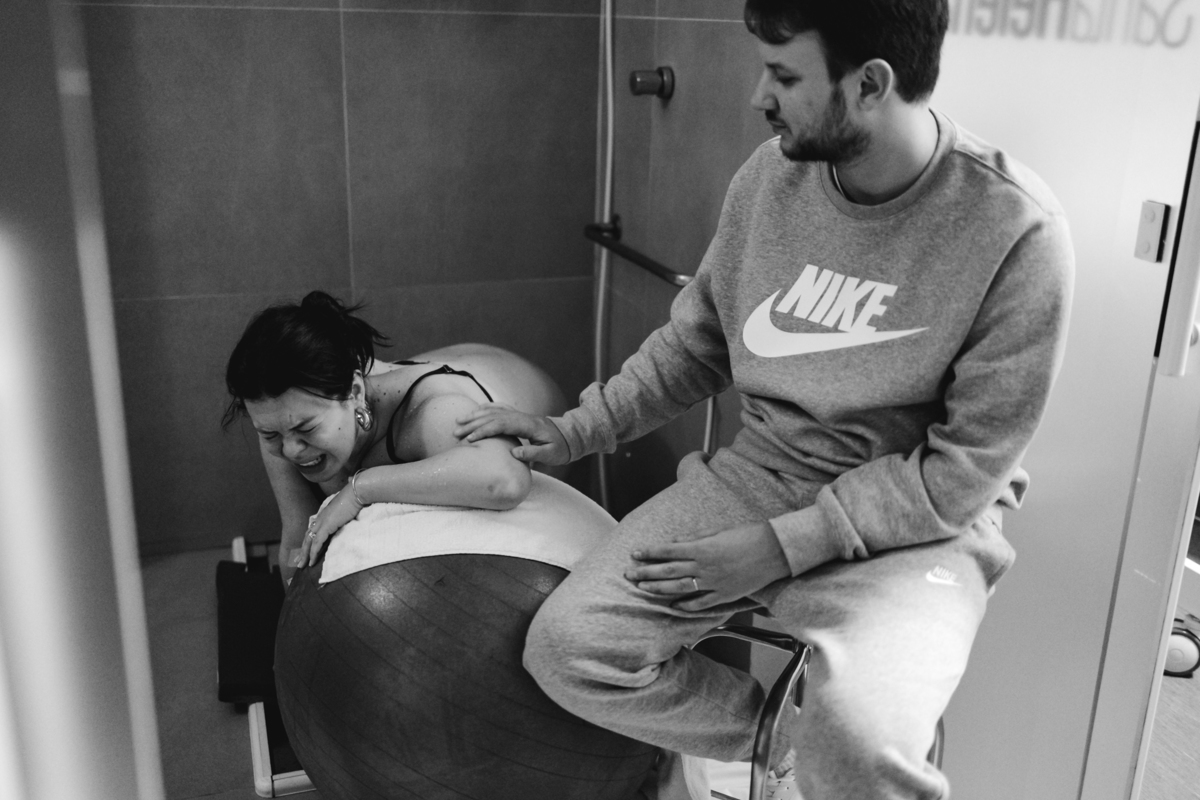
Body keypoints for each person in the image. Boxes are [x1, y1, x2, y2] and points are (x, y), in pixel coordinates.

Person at [454, 1, 1074, 798]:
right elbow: (695, 346)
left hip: (920, 531)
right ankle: (784, 751)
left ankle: (826, 756)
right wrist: (573, 431)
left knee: (863, 744)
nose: (758, 96)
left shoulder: (1016, 230)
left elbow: (963, 476)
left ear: (870, 84)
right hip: (759, 481)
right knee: (570, 648)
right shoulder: (769, 179)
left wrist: (780, 547)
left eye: (783, 75)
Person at [223, 290, 566, 585]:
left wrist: (360, 489)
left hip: (529, 401)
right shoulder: (285, 416)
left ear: (355, 393)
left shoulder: (432, 414)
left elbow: (505, 482)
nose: (291, 449)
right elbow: (298, 542)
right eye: (269, 434)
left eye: (307, 430)